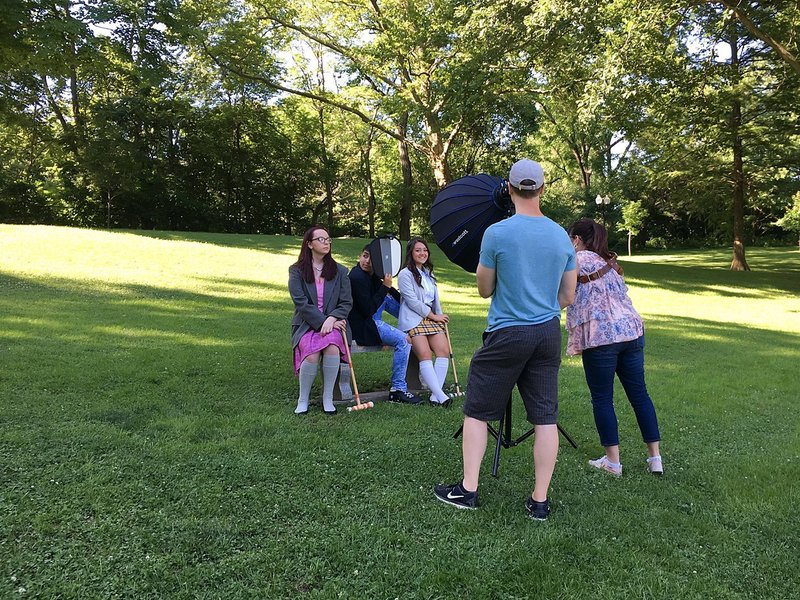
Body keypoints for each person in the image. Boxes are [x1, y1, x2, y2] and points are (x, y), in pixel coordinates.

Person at [433, 158, 577, 520]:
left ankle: (468, 490)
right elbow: (568, 297)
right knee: (545, 417)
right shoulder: (561, 235)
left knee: (478, 411)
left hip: (507, 332)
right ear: (542, 190)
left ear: (509, 190)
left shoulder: (496, 233)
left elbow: (484, 289)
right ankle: (539, 501)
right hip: (547, 334)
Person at [565, 218, 663, 476]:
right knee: (640, 395)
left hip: (602, 337)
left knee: (602, 399)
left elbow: (564, 294)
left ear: (576, 240)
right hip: (631, 333)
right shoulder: (611, 263)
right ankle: (655, 459)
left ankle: (613, 462)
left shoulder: (577, 260)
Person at [348, 245, 423, 404]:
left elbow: (390, 294)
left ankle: (417, 323)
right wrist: (385, 287)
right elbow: (368, 310)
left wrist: (405, 299)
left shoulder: (371, 275)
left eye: (371, 259)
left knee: (390, 298)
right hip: (363, 327)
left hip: (370, 320)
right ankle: (398, 390)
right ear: (360, 255)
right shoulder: (357, 277)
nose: (367, 262)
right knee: (404, 341)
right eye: (365, 256)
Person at [288, 226, 352, 415]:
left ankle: (328, 398)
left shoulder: (340, 271)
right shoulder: (296, 271)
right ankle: (303, 399)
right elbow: (300, 302)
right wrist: (322, 321)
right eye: (321, 239)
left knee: (332, 347)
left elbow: (346, 302)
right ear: (309, 244)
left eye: (328, 239)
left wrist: (331, 319)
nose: (326, 243)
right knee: (312, 353)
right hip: (306, 324)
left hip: (334, 324)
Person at [397, 237, 452, 406]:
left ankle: (435, 396)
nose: (422, 253)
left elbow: (435, 300)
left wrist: (439, 317)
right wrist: (433, 316)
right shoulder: (405, 274)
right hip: (414, 319)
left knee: (444, 350)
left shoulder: (429, 273)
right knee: (425, 354)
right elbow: (412, 302)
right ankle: (441, 396)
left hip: (431, 317)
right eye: (418, 250)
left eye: (425, 250)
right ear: (411, 253)